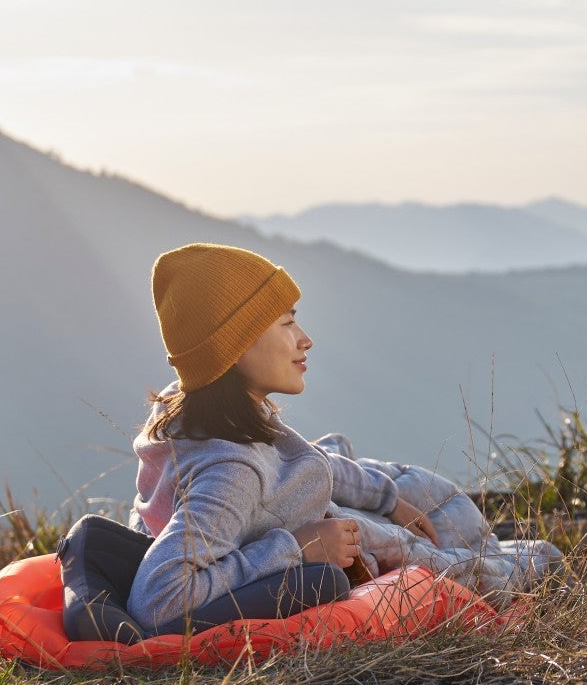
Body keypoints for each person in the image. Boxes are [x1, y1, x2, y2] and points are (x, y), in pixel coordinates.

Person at [119, 242, 441, 634]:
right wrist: (296, 548)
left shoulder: (198, 407)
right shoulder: (230, 475)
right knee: (445, 544)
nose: (305, 339)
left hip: (296, 513)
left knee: (404, 487)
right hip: (304, 541)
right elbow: (156, 600)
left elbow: (293, 458)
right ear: (232, 347)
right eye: (287, 323)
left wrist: (387, 498)